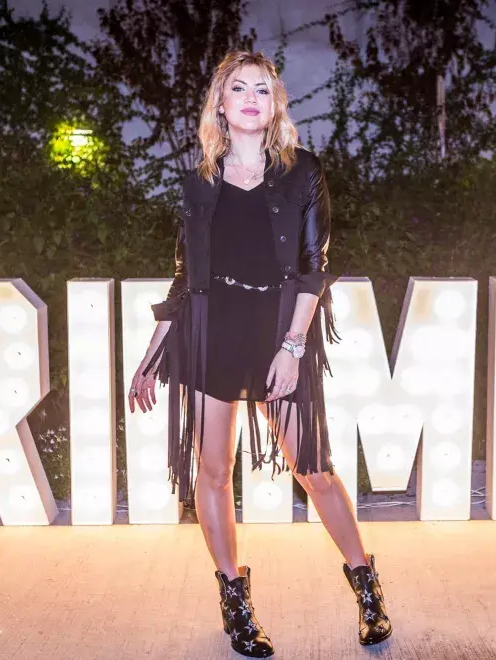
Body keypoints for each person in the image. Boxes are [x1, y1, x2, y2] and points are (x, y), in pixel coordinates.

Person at [126, 51, 393, 657]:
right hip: (211, 327)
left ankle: (367, 587)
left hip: (278, 327)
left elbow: (312, 267)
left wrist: (293, 346)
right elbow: (183, 276)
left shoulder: (303, 173)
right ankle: (235, 601)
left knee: (314, 469)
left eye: (263, 90)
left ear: (275, 106)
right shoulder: (197, 183)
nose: (250, 98)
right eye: (238, 88)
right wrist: (151, 355)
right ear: (220, 103)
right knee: (213, 471)